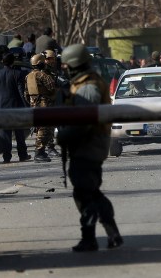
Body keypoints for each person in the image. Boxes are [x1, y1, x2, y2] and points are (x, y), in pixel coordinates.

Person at [55, 43, 123, 252]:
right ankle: (111, 233)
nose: (64, 69)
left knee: (85, 193)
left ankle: (89, 238)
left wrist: (65, 136)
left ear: (74, 65)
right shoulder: (81, 83)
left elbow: (85, 120)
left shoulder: (89, 86)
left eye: (67, 66)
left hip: (89, 144)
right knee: (90, 192)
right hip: (88, 144)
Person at [0, 53, 31, 163]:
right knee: (19, 133)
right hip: (15, 107)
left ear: (2, 62)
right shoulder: (18, 74)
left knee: (5, 133)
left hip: (1, 108)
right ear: (13, 62)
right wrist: (27, 105)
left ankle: (6, 157)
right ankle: (22, 155)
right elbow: (21, 92)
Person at [24, 54, 57, 163]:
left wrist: (32, 102)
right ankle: (39, 152)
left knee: (39, 128)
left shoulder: (28, 76)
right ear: (40, 63)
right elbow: (52, 88)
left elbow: (26, 94)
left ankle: (41, 151)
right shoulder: (43, 75)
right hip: (44, 104)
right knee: (44, 128)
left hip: (34, 105)